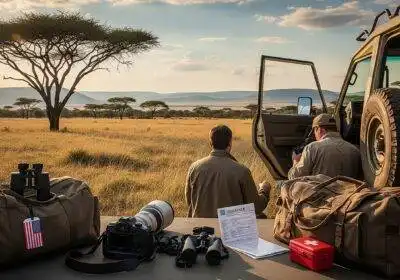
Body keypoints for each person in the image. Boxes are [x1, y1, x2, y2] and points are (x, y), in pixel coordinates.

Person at [185, 125, 270, 218]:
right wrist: (264, 190)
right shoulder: (242, 171)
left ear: (210, 143)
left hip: (199, 228)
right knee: (262, 216)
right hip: (230, 229)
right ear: (230, 143)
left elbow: (189, 201)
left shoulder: (194, 167)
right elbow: (256, 207)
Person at [288, 113, 361, 180]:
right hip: (349, 192)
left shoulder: (312, 147)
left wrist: (296, 162)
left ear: (319, 130)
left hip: (322, 193)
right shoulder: (355, 150)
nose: (314, 135)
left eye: (314, 131)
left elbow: (295, 177)